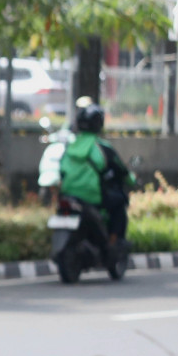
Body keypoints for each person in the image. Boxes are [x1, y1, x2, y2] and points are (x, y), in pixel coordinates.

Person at [59, 101, 136, 249]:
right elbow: (121, 170)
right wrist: (132, 180)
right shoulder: (102, 148)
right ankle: (112, 243)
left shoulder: (69, 147)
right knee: (120, 202)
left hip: (67, 196)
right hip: (93, 197)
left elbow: (61, 170)